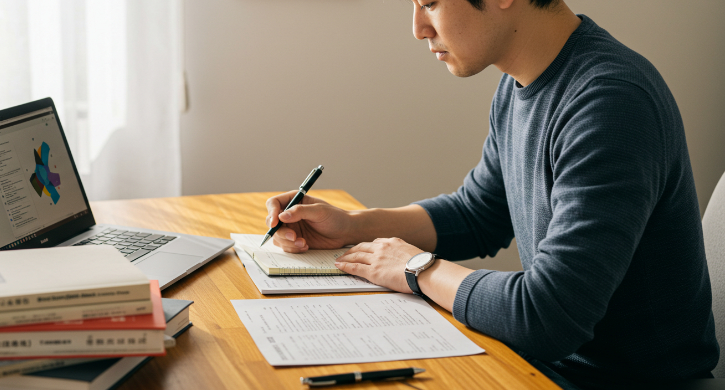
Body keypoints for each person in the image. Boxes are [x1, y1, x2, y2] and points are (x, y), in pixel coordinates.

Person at [264, 0, 719, 388]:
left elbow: (547, 317)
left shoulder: (611, 103)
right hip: (549, 368)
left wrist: (415, 268)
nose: (418, 28)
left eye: (431, 3)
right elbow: (477, 214)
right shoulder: (519, 83)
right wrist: (352, 226)